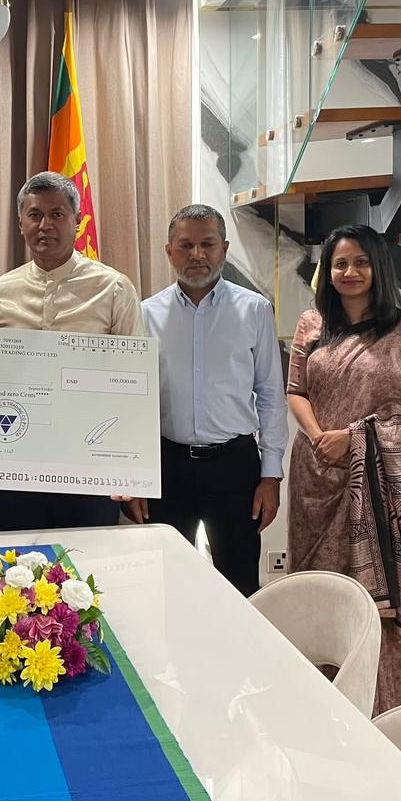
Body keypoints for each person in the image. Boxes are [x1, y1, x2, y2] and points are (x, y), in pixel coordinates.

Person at [286, 223, 401, 714]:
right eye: (340, 263)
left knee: (372, 601)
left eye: (360, 262)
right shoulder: (311, 323)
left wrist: (355, 438)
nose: (350, 272)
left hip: (378, 484)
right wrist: (320, 437)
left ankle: (383, 707)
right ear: (327, 271)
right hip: (315, 474)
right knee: (317, 589)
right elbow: (295, 389)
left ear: (378, 267)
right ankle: (317, 704)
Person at [0, 171, 145, 531]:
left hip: (90, 465)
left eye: (57, 214)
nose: (45, 225)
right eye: (35, 215)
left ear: (77, 221)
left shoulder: (114, 288)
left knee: (88, 562)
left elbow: (136, 383)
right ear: (20, 223)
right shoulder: (0, 292)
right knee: (14, 560)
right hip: (15, 463)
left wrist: (132, 467)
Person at [141, 204, 287, 597]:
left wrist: (271, 476)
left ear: (223, 249)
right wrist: (135, 478)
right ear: (169, 251)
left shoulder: (255, 310)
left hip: (235, 467)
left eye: (207, 244)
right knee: (167, 584)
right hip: (167, 466)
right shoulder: (146, 314)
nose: (197, 255)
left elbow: (271, 395)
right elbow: (135, 402)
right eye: (185, 245)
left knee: (240, 584)